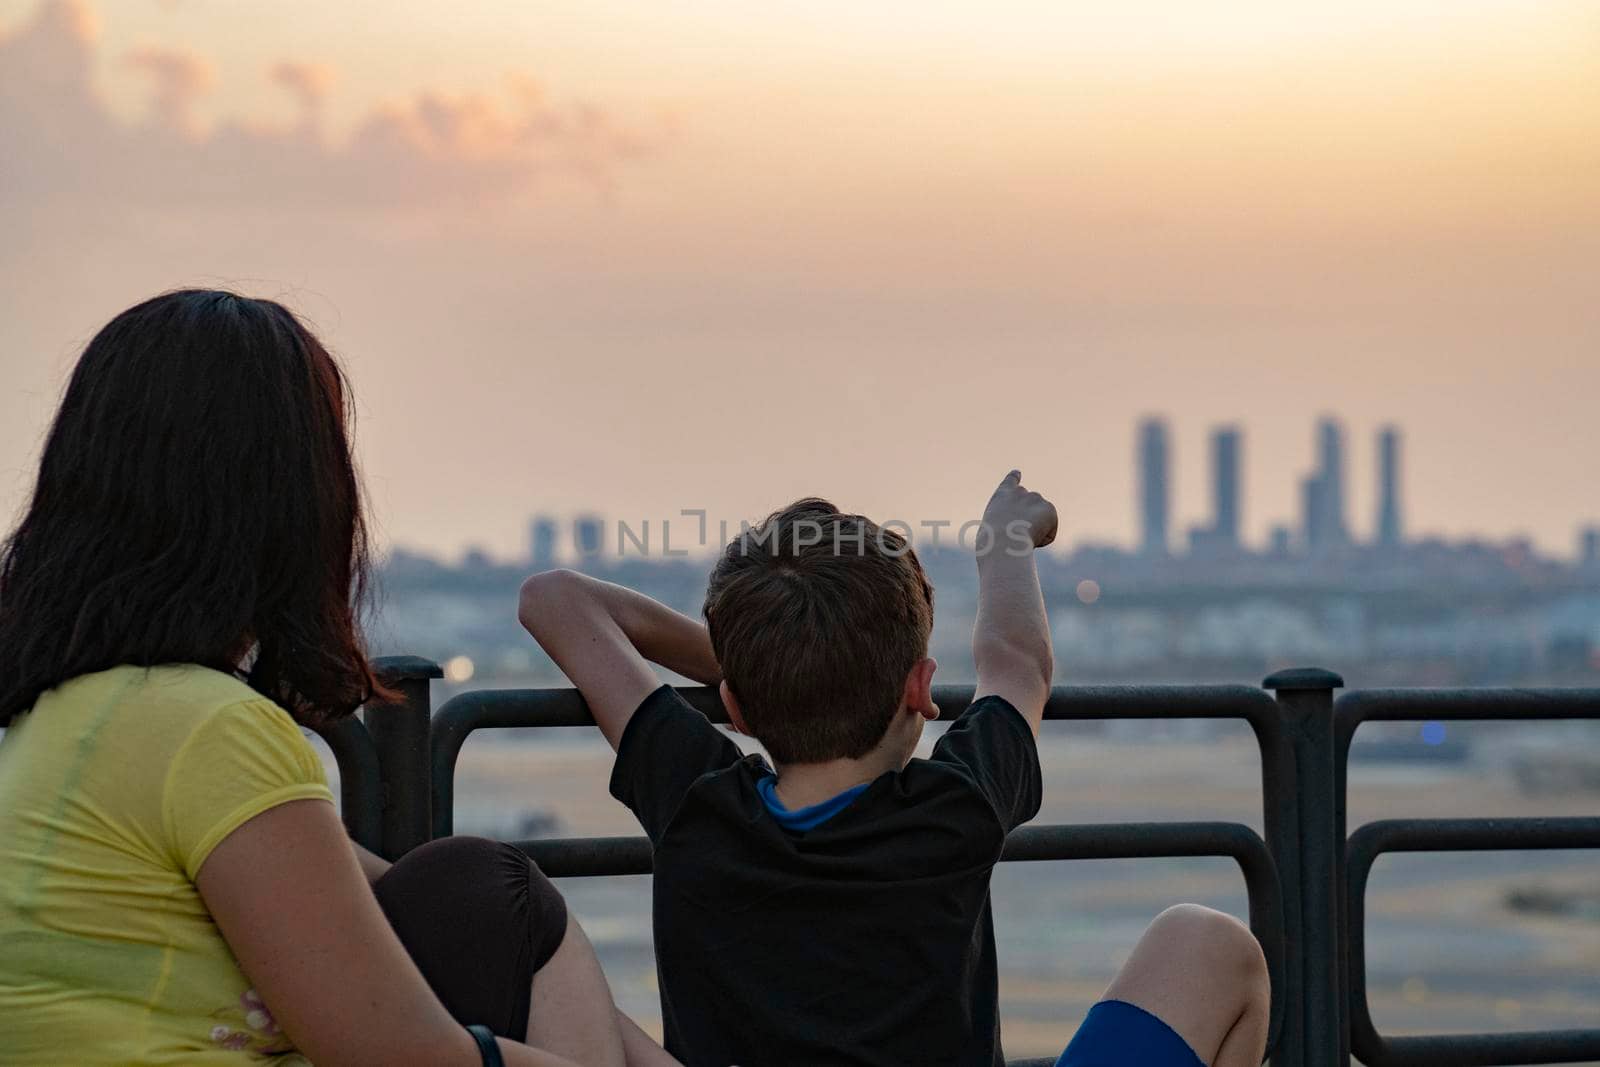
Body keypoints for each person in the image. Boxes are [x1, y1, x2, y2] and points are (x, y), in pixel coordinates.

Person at [0, 290, 675, 1067]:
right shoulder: (209, 729)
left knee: (484, 889)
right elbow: (405, 1055)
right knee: (490, 891)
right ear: (289, 502)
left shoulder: (62, 720)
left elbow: (417, 906)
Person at [518, 476, 1270, 1067]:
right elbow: (1016, 661)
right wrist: (1004, 541)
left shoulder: (694, 801)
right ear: (918, 687)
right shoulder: (956, 804)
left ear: (734, 708)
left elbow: (554, 599)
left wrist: (773, 665)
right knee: (1208, 942)